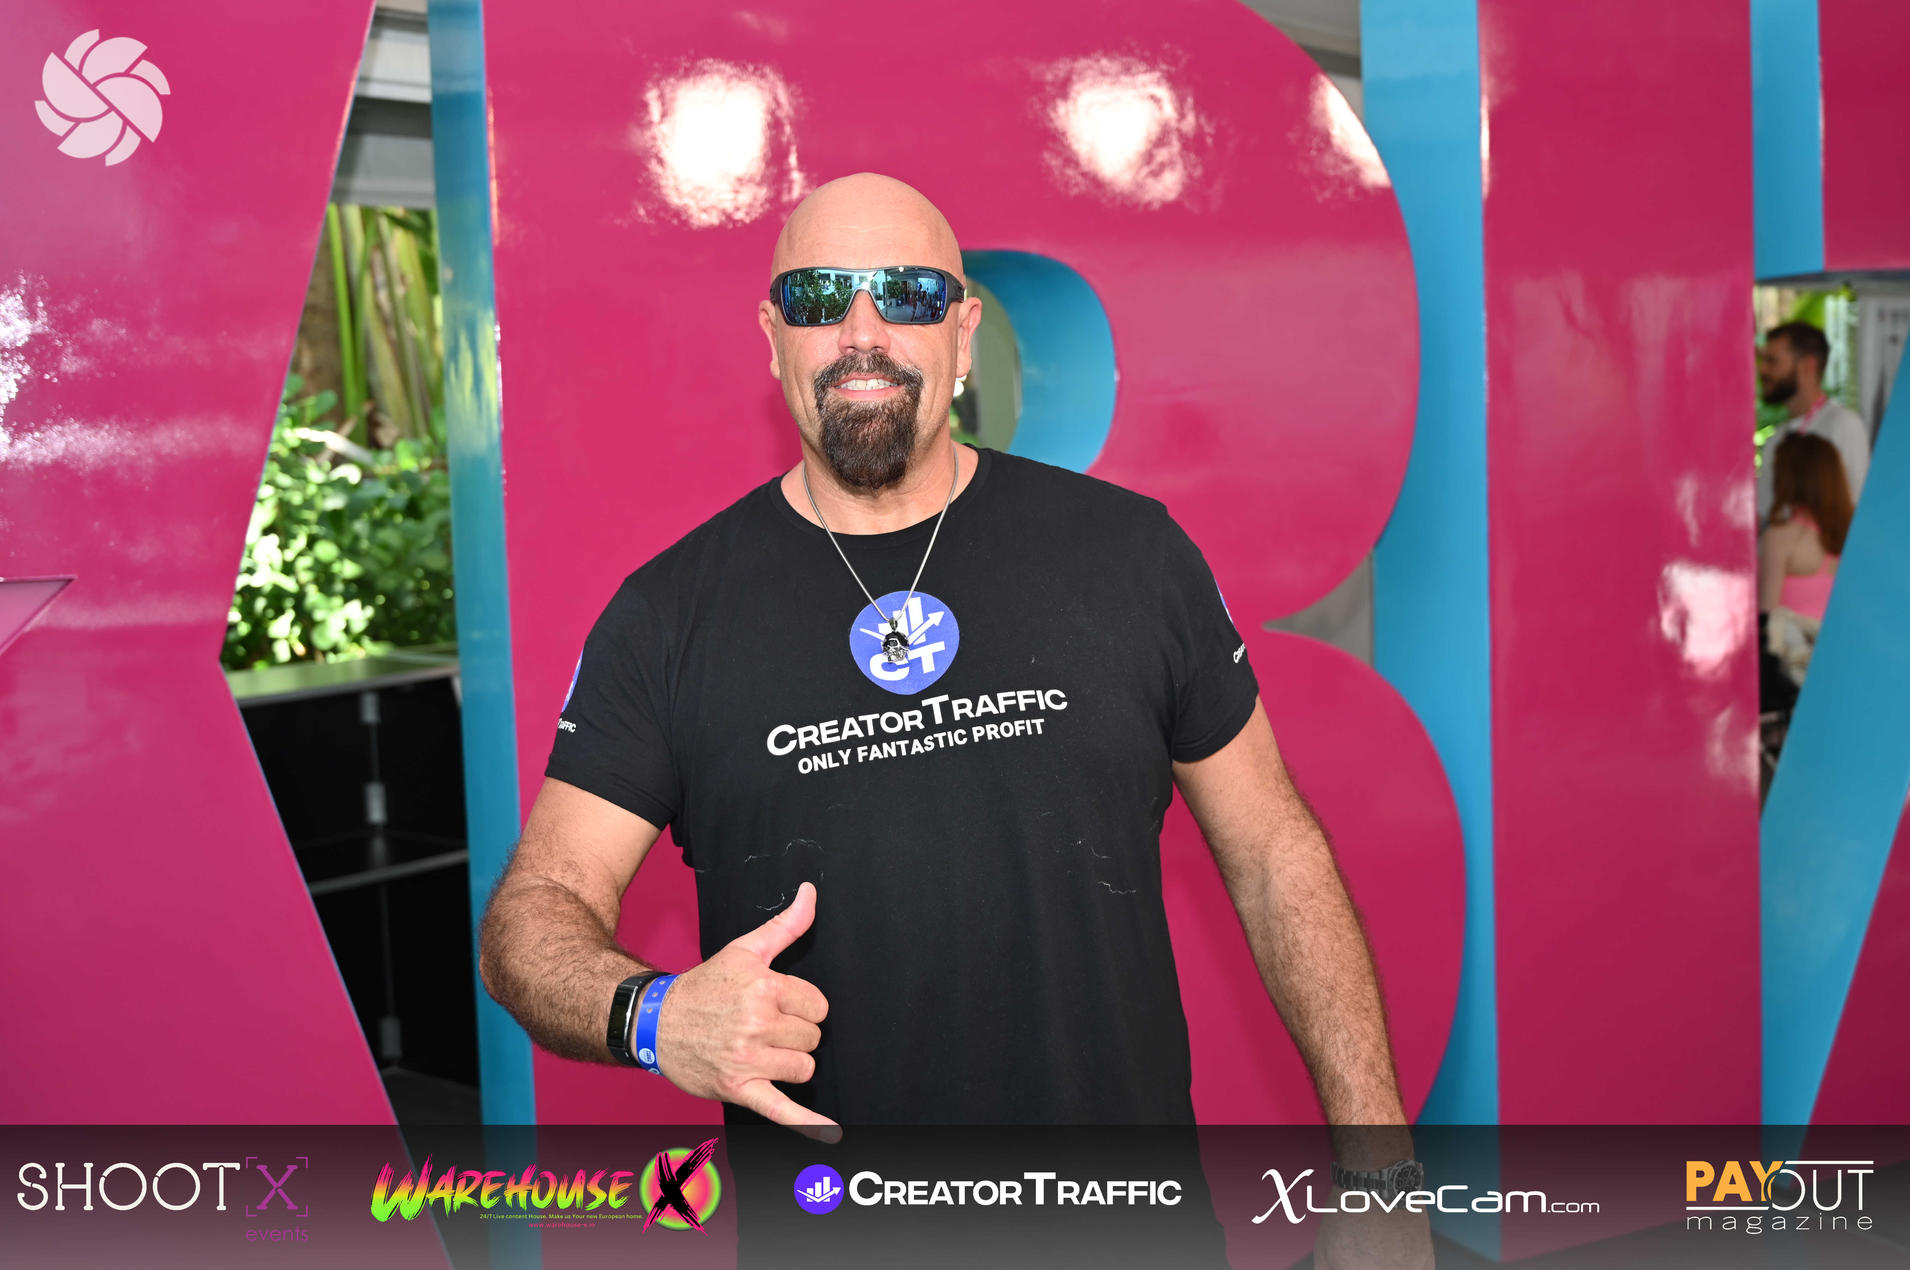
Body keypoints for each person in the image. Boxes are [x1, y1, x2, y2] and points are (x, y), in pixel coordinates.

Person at [477, 174, 1426, 1254]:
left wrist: (1381, 1175)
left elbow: (1273, 852)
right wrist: (652, 1017)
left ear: (964, 331)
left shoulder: (1129, 556)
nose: (862, 332)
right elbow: (534, 913)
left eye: (908, 295)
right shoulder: (667, 618)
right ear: (772, 337)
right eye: (820, 296)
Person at [1758, 432, 1851, 713]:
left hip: (1794, 679)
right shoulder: (1851, 536)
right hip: (1841, 668)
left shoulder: (1781, 538)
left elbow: (1766, 617)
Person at [1756, 320, 1869, 525]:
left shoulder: (1843, 424)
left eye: (1772, 361)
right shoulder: (1777, 437)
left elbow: (1858, 508)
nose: (1762, 370)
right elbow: (1765, 512)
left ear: (1808, 365)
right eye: (1762, 360)